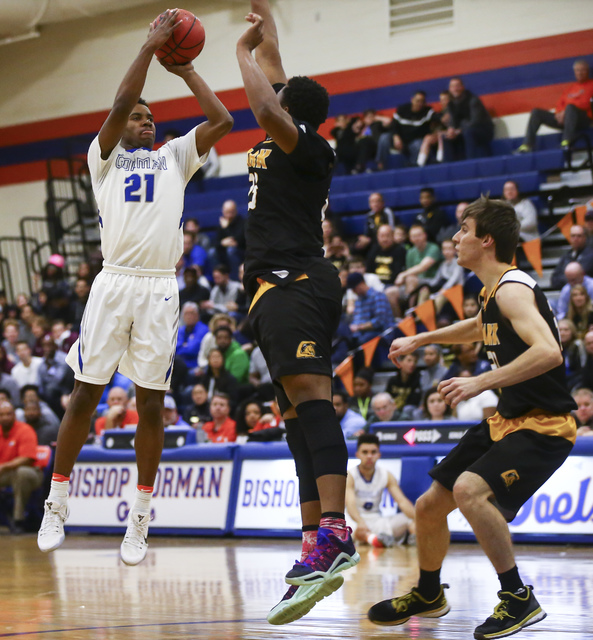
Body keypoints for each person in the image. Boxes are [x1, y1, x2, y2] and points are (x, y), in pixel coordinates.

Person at [36, 9, 233, 565]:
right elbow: (121, 103)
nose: (146, 121)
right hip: (113, 282)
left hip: (157, 288)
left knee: (152, 405)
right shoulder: (104, 161)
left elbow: (221, 121)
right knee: (84, 395)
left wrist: (186, 69)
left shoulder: (174, 157)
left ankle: (141, 516)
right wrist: (148, 48)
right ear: (121, 127)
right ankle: (58, 499)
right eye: (138, 117)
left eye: (151, 118)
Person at [368, 196, 577, 639]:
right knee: (428, 507)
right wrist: (422, 337)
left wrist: (481, 381)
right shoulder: (493, 290)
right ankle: (428, 592)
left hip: (545, 424)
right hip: (509, 418)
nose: (455, 238)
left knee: (469, 490)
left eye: (463, 229)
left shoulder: (514, 289)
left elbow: (549, 352)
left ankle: (518, 598)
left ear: (486, 239)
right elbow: (480, 324)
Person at [237, 2, 359, 625]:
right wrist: (263, 27)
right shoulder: (285, 125)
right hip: (269, 289)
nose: (274, 95)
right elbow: (273, 67)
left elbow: (263, 102)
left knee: (313, 404)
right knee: (292, 416)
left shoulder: (308, 145)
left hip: (298, 281)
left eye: (283, 101)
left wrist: (235, 53)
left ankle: (337, 532)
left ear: (293, 114)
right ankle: (313, 538)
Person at [346, 434, 415, 548]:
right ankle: (373, 539)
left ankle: (415, 543)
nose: (369, 456)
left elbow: (402, 502)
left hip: (376, 519)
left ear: (379, 455)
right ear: (357, 454)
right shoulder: (350, 475)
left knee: (408, 520)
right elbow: (350, 505)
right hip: (354, 519)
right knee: (348, 528)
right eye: (365, 452)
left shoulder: (386, 475)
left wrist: (419, 519)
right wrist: (360, 522)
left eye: (373, 452)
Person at [516, 59, 593, 153]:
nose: (580, 73)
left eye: (582, 70)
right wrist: (559, 113)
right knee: (536, 112)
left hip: (582, 120)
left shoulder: (591, 85)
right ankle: (527, 145)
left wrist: (565, 111)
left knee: (570, 108)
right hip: (565, 119)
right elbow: (560, 103)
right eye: (577, 70)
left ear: (587, 71)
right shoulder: (570, 88)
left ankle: (566, 141)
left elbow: (586, 104)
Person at [0, 400, 44, 533]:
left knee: (21, 473)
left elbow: (27, 459)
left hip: (31, 471)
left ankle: (18, 520)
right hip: (5, 473)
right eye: (1, 415)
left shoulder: (25, 430)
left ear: (14, 415)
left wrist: (3, 467)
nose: (5, 417)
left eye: (8, 414)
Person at [376, 90, 434, 169]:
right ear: (412, 100)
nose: (419, 104)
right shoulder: (402, 109)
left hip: (414, 141)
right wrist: (396, 137)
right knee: (384, 137)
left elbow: (437, 118)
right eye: (417, 101)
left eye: (422, 101)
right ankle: (380, 165)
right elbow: (394, 125)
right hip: (399, 138)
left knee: (418, 144)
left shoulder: (427, 111)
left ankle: (414, 168)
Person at [443, 77, 493, 161]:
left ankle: (470, 162)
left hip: (482, 130)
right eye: (452, 87)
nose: (455, 89)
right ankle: (449, 166)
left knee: (468, 133)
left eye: (457, 86)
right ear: (449, 89)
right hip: (463, 130)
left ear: (463, 87)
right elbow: (452, 121)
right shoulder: (451, 104)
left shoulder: (473, 99)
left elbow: (476, 121)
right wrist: (451, 129)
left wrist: (459, 130)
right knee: (447, 137)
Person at [550, 226, 593, 290]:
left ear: (585, 238)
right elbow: (554, 281)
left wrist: (566, 278)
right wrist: (571, 279)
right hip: (568, 293)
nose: (575, 239)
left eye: (579, 236)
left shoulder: (591, 255)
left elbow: (580, 276)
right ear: (570, 238)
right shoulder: (566, 257)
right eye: (573, 236)